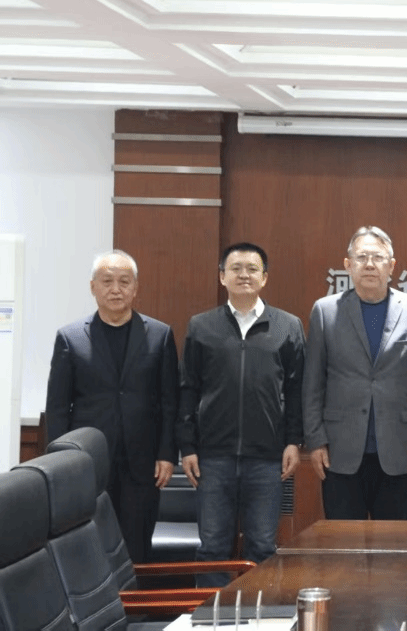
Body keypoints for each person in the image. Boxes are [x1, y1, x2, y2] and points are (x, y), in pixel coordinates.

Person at [177, 242, 305, 586]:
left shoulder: (287, 326)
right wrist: (187, 446)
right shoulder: (202, 326)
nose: (244, 275)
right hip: (213, 457)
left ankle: (257, 612)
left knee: (262, 546)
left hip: (267, 458)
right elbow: (188, 388)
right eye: (236, 268)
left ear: (264, 278)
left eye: (252, 269)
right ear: (222, 277)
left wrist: (294, 441)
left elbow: (297, 390)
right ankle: (211, 614)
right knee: (212, 547)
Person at [45, 249, 178, 562]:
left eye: (124, 281)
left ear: (135, 288)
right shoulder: (71, 337)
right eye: (107, 281)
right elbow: (58, 407)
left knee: (136, 546)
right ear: (93, 287)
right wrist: (62, 462)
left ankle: (134, 598)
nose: (115, 289)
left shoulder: (159, 335)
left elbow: (170, 401)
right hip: (87, 463)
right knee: (87, 546)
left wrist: (166, 454)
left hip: (142, 462)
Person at [303, 226, 407, 520]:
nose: (369, 264)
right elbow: (313, 382)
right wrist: (315, 439)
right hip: (339, 449)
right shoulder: (325, 311)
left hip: (400, 449)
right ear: (348, 264)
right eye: (361, 257)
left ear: (392, 266)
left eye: (378, 257)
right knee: (343, 541)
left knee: (393, 542)